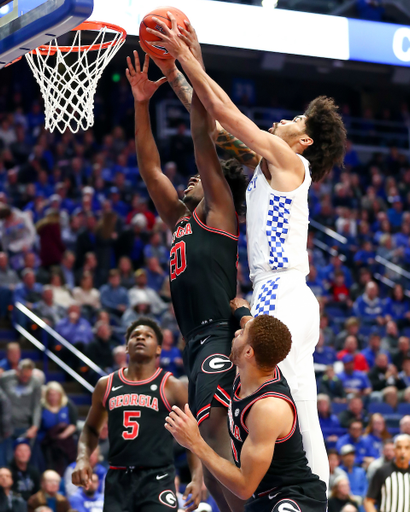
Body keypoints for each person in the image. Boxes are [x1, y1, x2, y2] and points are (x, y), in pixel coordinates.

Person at [147, 15, 346, 488]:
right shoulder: (264, 165)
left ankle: (296, 490)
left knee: (278, 392)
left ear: (305, 142)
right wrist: (178, 67)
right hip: (281, 291)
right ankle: (303, 488)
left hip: (281, 287)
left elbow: (231, 114)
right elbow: (210, 123)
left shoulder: (289, 160)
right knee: (292, 394)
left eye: (294, 120)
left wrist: (191, 57)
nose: (283, 119)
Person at [126, 51, 247, 512]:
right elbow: (150, 170)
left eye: (201, 176)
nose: (192, 177)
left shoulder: (220, 211)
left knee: (213, 436)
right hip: (193, 344)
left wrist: (189, 60)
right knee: (204, 451)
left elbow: (202, 135)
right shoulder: (179, 218)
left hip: (219, 334)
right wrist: (141, 104)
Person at [165, 315, 327, 512]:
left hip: (292, 495)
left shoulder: (268, 407)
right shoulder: (252, 369)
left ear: (249, 352)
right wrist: (242, 312)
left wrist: (195, 442)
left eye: (241, 334)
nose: (236, 333)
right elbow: (255, 329)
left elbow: (244, 487)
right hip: (262, 497)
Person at [72, 318, 202, 512]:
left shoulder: (172, 386)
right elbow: (90, 429)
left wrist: (197, 478)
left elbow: (194, 436)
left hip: (157, 479)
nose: (141, 337)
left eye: (148, 336)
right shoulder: (106, 385)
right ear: (126, 347)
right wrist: (82, 458)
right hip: (118, 479)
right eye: (135, 335)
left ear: (158, 349)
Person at [38, 382, 77, 476]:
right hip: (48, 443)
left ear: (60, 394)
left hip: (65, 442)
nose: (53, 397)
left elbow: (73, 424)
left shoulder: (68, 405)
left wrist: (62, 435)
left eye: (55, 394)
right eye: (50, 394)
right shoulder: (42, 407)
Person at [364, 434, 410, 512]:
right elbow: (368, 501)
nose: (403, 452)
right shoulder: (382, 471)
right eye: (399, 447)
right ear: (394, 450)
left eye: (407, 448)